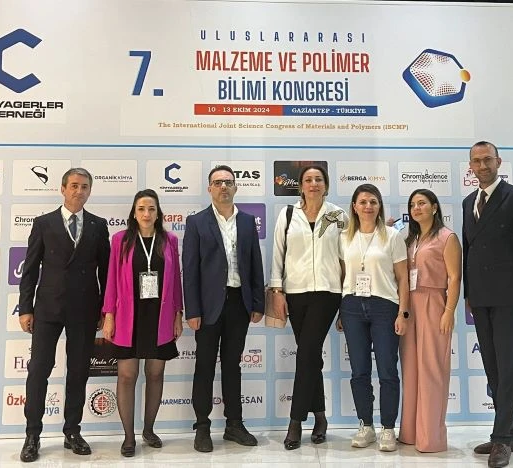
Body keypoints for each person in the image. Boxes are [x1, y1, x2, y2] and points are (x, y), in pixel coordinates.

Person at [18, 168, 110, 463]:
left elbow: (106, 273)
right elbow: (29, 269)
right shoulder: (43, 223)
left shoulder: (98, 225)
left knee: (79, 371)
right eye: (74, 186)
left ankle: (72, 431)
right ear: (62, 188)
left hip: (85, 309)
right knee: (38, 370)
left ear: (89, 191)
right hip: (48, 308)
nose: (79, 191)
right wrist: (26, 308)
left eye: (84, 187)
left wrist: (105, 310)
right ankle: (32, 435)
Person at [463, 141, 513, 468]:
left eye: (487, 160)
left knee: (508, 368)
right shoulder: (469, 202)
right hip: (481, 299)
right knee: (493, 368)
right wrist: (469, 294)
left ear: (498, 161)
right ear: (470, 166)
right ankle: (512, 429)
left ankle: (502, 440)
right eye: (476, 161)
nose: (482, 166)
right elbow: (469, 250)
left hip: (511, 299)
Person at [182, 165, 265, 453]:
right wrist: (192, 310)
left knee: (232, 365)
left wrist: (258, 303)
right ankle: (202, 427)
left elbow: (255, 264)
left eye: (228, 182)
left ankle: (234, 424)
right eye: (218, 183)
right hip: (207, 308)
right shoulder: (196, 222)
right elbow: (190, 270)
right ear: (209, 189)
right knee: (204, 365)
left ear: (235, 187)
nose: (223, 187)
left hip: (239, 304)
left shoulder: (247, 222)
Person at [268, 165, 347, 450]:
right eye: (308, 180)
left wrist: (347, 298)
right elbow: (278, 254)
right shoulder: (288, 214)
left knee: (306, 354)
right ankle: (321, 417)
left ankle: (295, 422)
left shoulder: (338, 215)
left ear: (326, 185)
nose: (313, 184)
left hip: (327, 293)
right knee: (311, 357)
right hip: (295, 293)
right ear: (300, 186)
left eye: (318, 179)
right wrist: (277, 291)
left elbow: (347, 257)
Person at [101, 189, 184, 457]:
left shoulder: (169, 240)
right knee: (127, 375)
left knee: (155, 374)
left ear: (158, 213)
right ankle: (129, 437)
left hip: (160, 315)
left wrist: (178, 313)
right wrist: (109, 315)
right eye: (141, 209)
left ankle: (149, 430)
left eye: (151, 209)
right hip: (128, 315)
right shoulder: (121, 240)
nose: (146, 214)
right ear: (134, 213)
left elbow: (176, 280)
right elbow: (111, 279)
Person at [338, 183, 409, 452]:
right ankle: (365, 426)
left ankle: (388, 428)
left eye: (373, 202)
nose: (368, 206)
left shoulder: (392, 236)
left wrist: (403, 313)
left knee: (388, 371)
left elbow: (403, 279)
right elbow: (342, 276)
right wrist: (341, 310)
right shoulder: (344, 237)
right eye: (363, 202)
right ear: (354, 207)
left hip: (384, 307)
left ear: (379, 206)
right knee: (359, 371)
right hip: (352, 306)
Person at [398, 189, 461, 453]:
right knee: (411, 370)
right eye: (413, 204)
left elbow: (454, 277)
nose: (417, 208)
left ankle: (431, 438)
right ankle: (410, 433)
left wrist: (449, 311)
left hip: (434, 303)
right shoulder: (409, 240)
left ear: (434, 207)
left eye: (422, 203)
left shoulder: (447, 237)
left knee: (432, 370)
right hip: (409, 306)